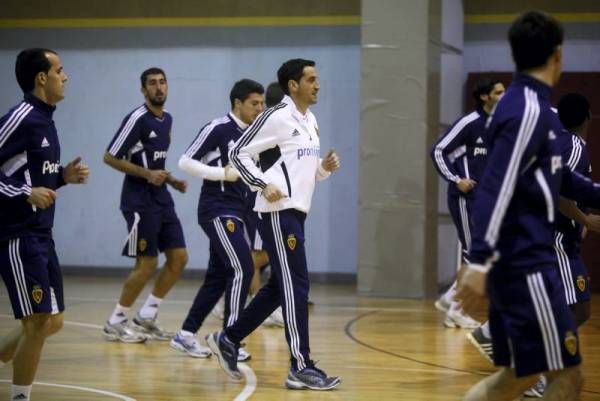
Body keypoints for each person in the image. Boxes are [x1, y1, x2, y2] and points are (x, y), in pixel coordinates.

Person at [457, 11, 600, 401]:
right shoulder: (527, 111)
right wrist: (480, 262)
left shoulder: (536, 109)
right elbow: (495, 187)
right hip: (526, 265)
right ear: (557, 56)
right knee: (566, 379)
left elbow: (563, 178)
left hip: (525, 264)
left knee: (517, 379)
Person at [207, 58, 342, 390]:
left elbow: (302, 173)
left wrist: (324, 168)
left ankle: (228, 338)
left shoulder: (310, 121)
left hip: (297, 212)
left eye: (317, 78)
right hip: (278, 212)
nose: (317, 84)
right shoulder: (275, 117)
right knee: (297, 287)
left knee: (280, 288)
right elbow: (237, 153)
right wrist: (261, 185)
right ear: (293, 85)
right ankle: (300, 365)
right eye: (311, 79)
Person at [0, 48, 90, 401]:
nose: (65, 77)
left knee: (52, 321)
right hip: (17, 236)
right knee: (37, 321)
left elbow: (34, 177)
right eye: (60, 70)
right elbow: (23, 185)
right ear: (42, 78)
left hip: (41, 234)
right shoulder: (21, 117)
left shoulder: (46, 120)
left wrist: (63, 178)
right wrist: (25, 193)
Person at [171, 79, 265, 360]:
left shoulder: (256, 134)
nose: (260, 108)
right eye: (254, 103)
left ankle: (185, 335)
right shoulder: (217, 128)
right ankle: (229, 339)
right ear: (238, 103)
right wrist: (221, 174)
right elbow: (185, 162)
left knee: (218, 277)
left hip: (242, 211)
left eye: (262, 103)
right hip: (218, 209)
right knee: (243, 268)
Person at [102, 67, 188, 343]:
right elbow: (110, 156)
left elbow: (154, 162)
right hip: (138, 201)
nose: (159, 88)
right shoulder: (137, 118)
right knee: (148, 262)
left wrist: (171, 179)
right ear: (143, 89)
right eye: (152, 83)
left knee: (178, 258)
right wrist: (147, 175)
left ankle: (147, 315)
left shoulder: (167, 120)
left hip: (162, 198)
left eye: (163, 82)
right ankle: (115, 321)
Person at [431, 78, 505, 329]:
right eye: (499, 92)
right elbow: (438, 150)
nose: (504, 95)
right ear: (485, 97)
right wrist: (456, 179)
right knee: (473, 250)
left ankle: (451, 299)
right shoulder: (469, 123)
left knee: (483, 253)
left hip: (486, 201)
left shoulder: (500, 125)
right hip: (464, 198)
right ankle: (456, 307)